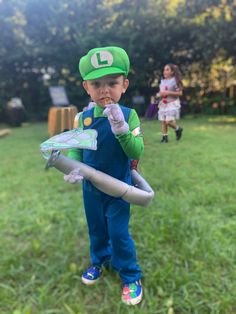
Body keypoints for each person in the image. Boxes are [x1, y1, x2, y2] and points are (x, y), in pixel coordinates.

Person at [64, 47, 144, 305]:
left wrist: (121, 128)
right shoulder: (83, 118)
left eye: (112, 82)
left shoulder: (130, 116)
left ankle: (130, 276)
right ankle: (100, 261)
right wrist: (73, 166)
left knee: (119, 233)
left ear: (125, 85)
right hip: (91, 190)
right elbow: (77, 147)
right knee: (97, 229)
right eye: (97, 84)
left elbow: (136, 150)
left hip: (119, 188)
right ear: (86, 87)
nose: (104, 90)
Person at [157, 64, 183, 143]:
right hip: (164, 103)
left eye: (167, 70)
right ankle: (165, 138)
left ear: (172, 72)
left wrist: (168, 92)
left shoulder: (175, 81)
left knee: (168, 121)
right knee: (163, 121)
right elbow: (162, 92)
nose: (165, 71)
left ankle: (178, 128)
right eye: (164, 70)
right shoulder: (162, 81)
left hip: (172, 103)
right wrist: (159, 94)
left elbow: (180, 93)